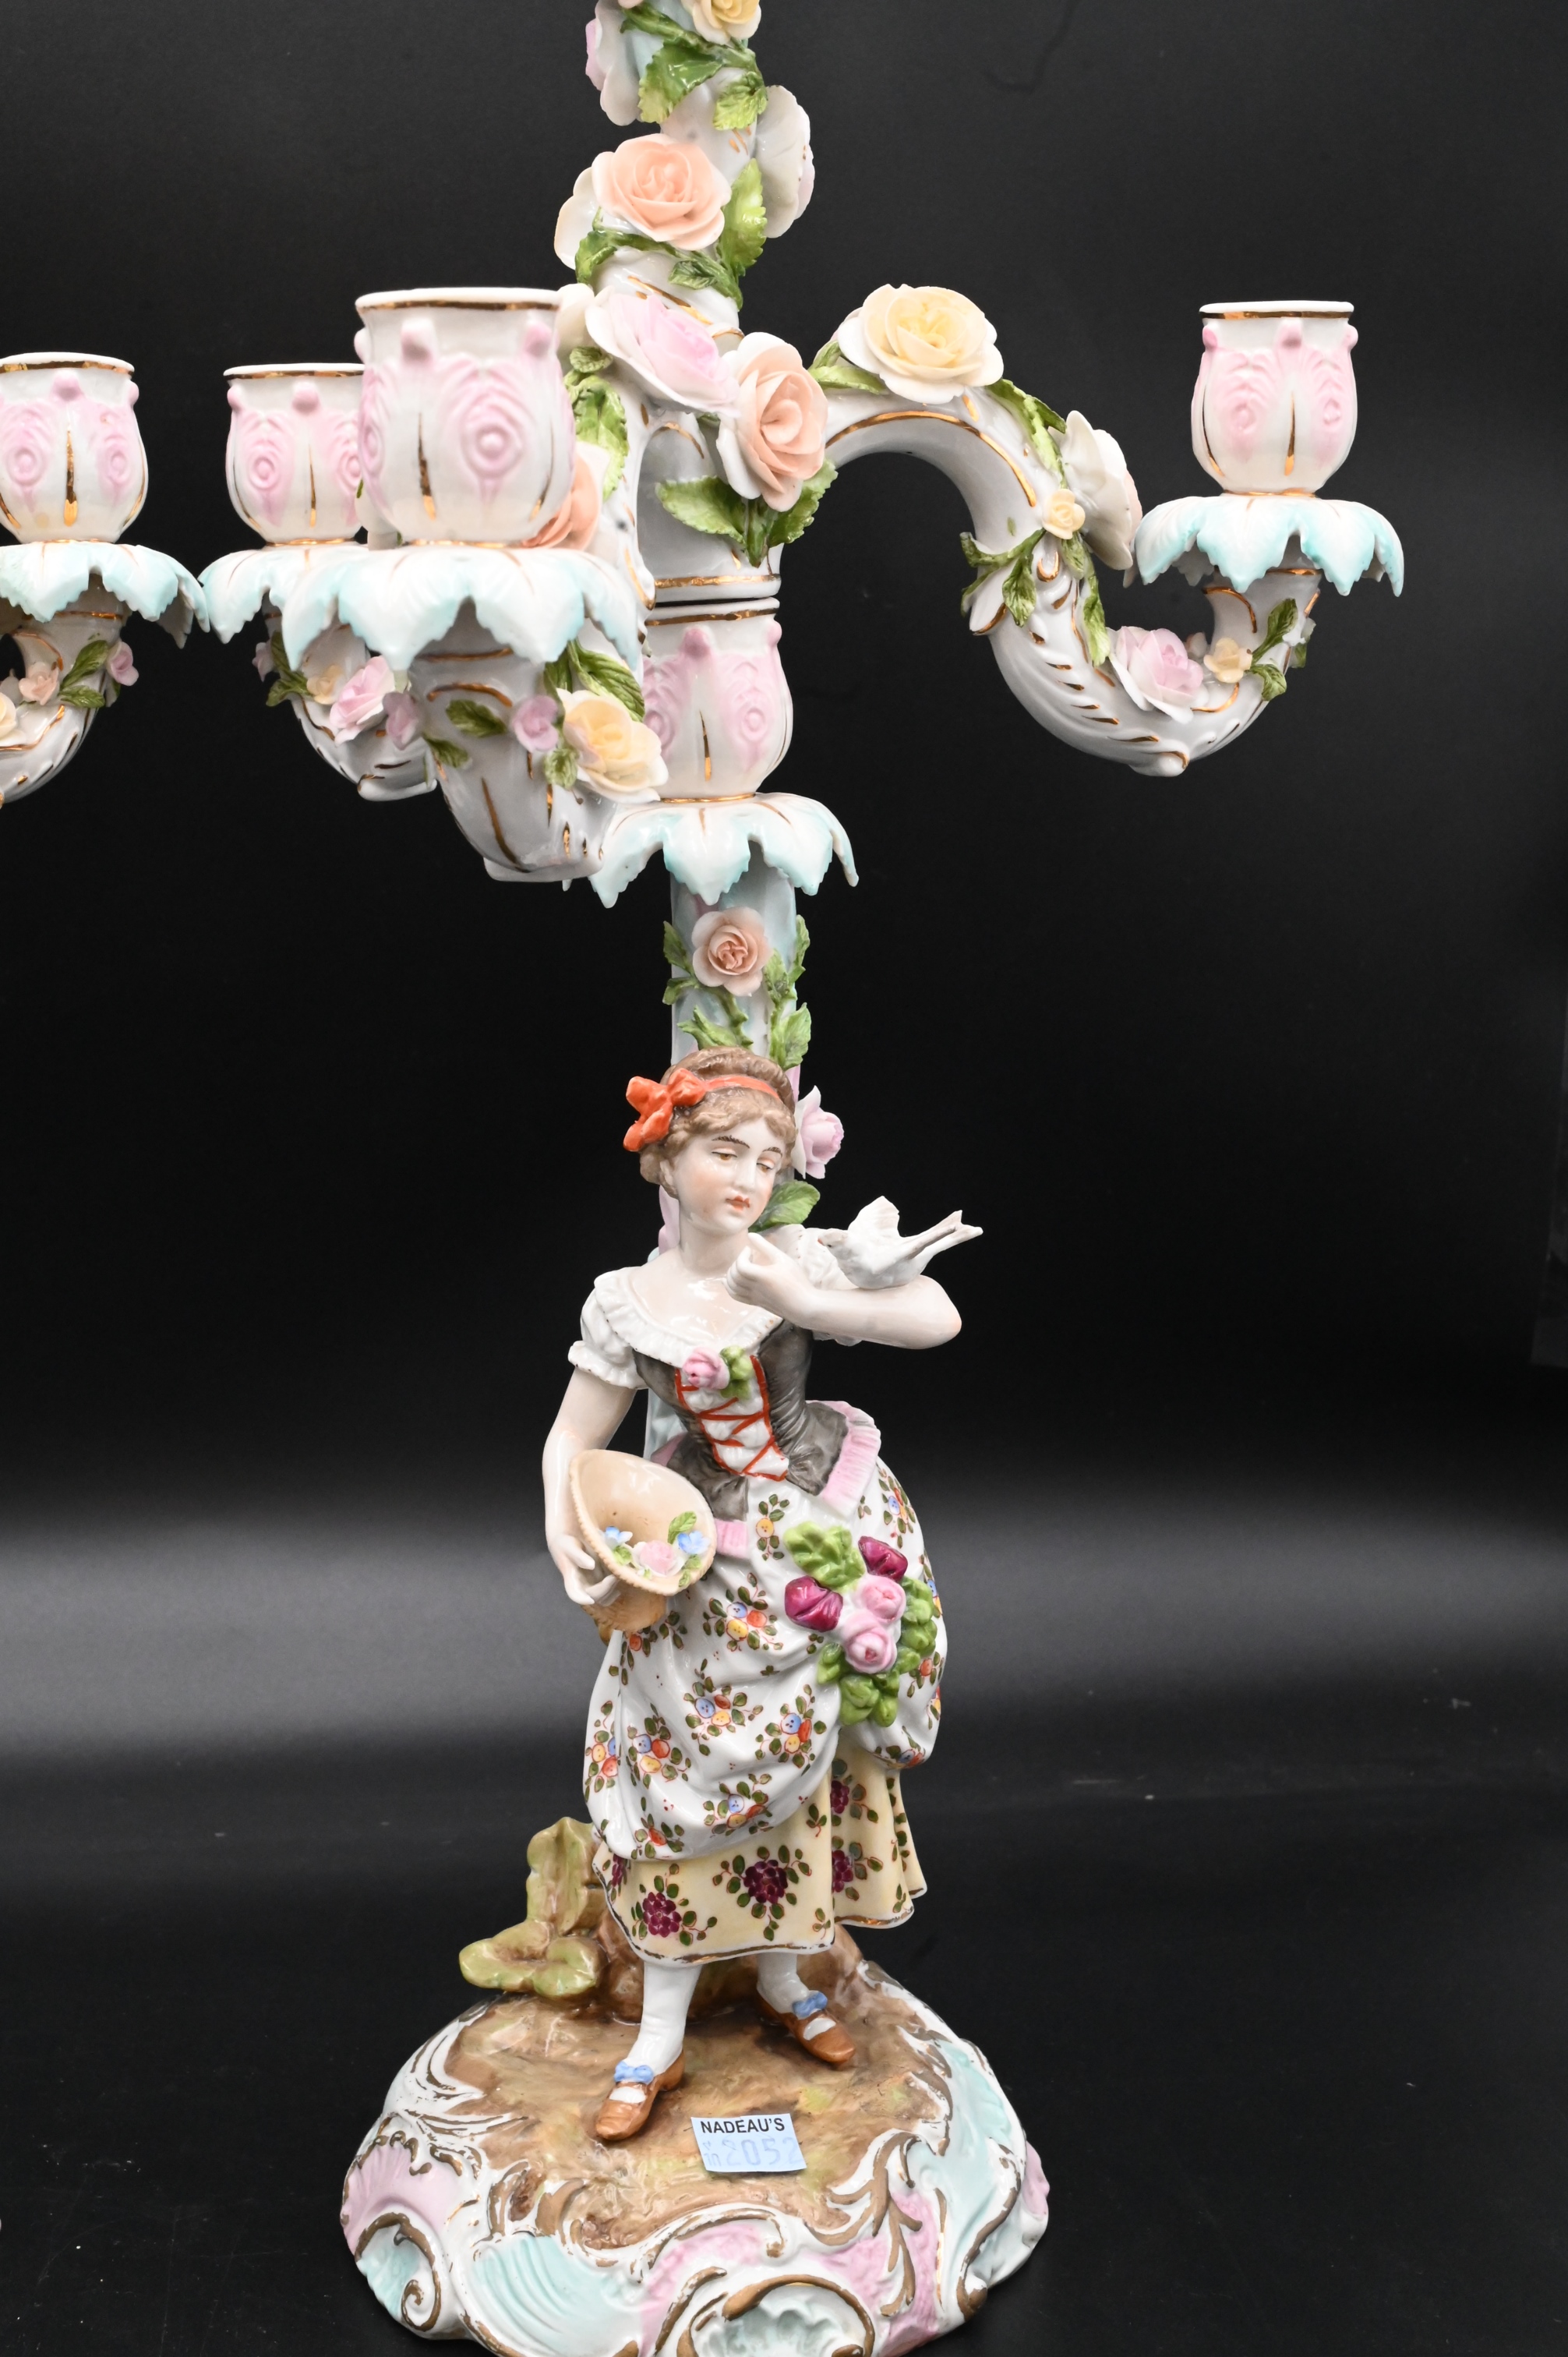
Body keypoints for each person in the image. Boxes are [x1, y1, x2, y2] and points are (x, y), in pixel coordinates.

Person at [543, 1046, 978, 2140]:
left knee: (817, 1760)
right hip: (706, 1560)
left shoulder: (790, 1254)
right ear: (665, 1159)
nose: (746, 1176)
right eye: (723, 1151)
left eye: (767, 1158)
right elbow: (571, 1439)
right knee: (693, 1771)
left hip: (819, 1529)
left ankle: (788, 1979)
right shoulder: (626, 1303)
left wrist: (809, 1301)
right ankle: (660, 2035)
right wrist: (566, 1528)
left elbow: (938, 1316)